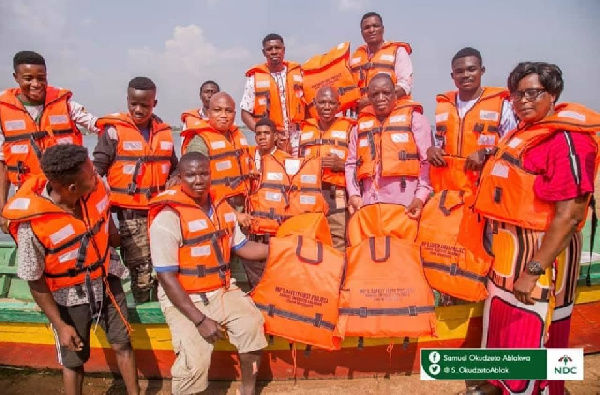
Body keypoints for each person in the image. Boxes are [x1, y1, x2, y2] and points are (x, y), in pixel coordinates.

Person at [471, 62, 599, 395]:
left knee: (534, 331)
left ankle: (541, 388)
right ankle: (503, 384)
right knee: (503, 326)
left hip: (539, 261)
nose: (523, 101)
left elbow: (570, 215)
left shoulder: (568, 140)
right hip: (507, 257)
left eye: (532, 93)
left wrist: (533, 269)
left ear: (553, 94)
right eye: (517, 95)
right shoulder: (523, 134)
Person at [1, 144, 138, 395]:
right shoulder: (32, 226)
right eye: (90, 175)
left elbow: (107, 223)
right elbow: (35, 280)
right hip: (68, 296)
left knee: (123, 344)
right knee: (73, 361)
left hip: (107, 279)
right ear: (73, 188)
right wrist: (61, 325)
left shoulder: (98, 190)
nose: (97, 177)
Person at [148, 151, 269, 395]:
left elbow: (243, 247)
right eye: (190, 175)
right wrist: (200, 320)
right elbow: (166, 277)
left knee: (252, 327)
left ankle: (247, 390)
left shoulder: (222, 208)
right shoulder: (167, 218)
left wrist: (282, 250)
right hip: (184, 297)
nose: (198, 180)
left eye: (203, 173)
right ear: (180, 177)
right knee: (194, 363)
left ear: (210, 174)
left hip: (221, 289)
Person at [93, 76, 178, 304]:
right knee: (140, 271)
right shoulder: (112, 133)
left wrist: (175, 180)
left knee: (166, 264)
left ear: (154, 104)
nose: (139, 109)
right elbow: (95, 173)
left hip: (161, 212)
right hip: (130, 216)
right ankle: (143, 312)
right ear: (127, 101)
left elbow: (175, 168)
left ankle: (165, 309)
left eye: (145, 105)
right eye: (134, 104)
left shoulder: (165, 133)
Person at [0, 50, 100, 232]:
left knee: (74, 241)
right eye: (28, 78)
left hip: (70, 194)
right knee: (34, 242)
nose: (36, 84)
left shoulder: (67, 105)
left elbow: (99, 126)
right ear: (16, 77)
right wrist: (2, 208)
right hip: (28, 193)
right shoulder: (2, 112)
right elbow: (3, 164)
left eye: (41, 78)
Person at [428, 47, 517, 193]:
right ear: (452, 75)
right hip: (449, 192)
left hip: (485, 189)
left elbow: (513, 147)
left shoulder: (502, 106)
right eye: (459, 71)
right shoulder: (443, 106)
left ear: (482, 71)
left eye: (471, 69)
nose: (465, 75)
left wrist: (486, 153)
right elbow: (439, 143)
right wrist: (432, 150)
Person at [345, 73, 433, 218]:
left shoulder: (415, 120)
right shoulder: (359, 127)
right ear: (369, 97)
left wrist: (420, 197)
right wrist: (354, 194)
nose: (380, 98)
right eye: (375, 94)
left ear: (395, 94)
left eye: (386, 93)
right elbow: (351, 165)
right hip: (369, 205)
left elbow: (427, 162)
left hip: (405, 206)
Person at [299, 86, 354, 252]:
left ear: (338, 106)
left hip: (337, 195)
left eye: (331, 103)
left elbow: (362, 164)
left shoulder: (351, 130)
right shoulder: (303, 130)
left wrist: (341, 165)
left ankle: (339, 277)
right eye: (322, 102)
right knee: (311, 243)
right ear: (315, 104)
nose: (327, 107)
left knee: (338, 244)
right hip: (309, 197)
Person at [240, 33, 306, 156]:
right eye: (269, 49)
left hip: (299, 138)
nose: (274, 51)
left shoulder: (300, 74)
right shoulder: (253, 79)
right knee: (273, 174)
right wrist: (264, 134)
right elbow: (245, 113)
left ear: (284, 50)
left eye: (277, 48)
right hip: (271, 144)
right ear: (264, 53)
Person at [243, 117, 290, 287]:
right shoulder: (246, 156)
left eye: (267, 133)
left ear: (275, 136)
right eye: (258, 134)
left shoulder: (286, 160)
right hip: (251, 226)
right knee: (254, 277)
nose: (262, 137)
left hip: (275, 228)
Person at [350, 12, 413, 111]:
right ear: (362, 33)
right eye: (367, 27)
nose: (371, 30)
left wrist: (371, 99)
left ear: (383, 29)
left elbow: (405, 86)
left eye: (376, 26)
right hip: (365, 116)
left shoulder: (398, 52)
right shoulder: (354, 58)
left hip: (394, 113)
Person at [180, 80, 220, 146]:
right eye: (206, 92)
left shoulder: (226, 119)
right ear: (200, 95)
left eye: (213, 92)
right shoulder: (189, 120)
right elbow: (184, 145)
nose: (210, 95)